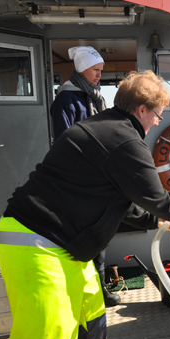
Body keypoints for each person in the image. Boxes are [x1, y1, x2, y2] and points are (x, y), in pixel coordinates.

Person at [0, 70, 170, 339]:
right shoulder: (125, 140)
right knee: (48, 338)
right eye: (158, 115)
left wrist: (154, 218)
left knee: (90, 318)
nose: (157, 122)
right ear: (142, 109)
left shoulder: (105, 128)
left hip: (67, 247)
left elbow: (124, 202)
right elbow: (157, 197)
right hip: (35, 241)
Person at [49, 46, 119, 307]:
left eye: (101, 71)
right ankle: (82, 292)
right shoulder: (66, 101)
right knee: (83, 237)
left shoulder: (97, 97)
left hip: (98, 176)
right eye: (96, 70)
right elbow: (64, 144)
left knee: (99, 235)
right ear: (81, 69)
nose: (99, 75)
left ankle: (99, 291)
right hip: (78, 181)